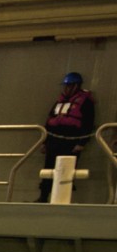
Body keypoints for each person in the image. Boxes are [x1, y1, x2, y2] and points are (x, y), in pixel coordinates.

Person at [40, 71, 95, 201]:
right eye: (66, 86)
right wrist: (44, 142)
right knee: (48, 168)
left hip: (71, 142)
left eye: (70, 85)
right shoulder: (59, 102)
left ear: (77, 86)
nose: (67, 88)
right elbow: (49, 121)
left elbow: (88, 123)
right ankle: (43, 197)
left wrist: (81, 143)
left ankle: (64, 199)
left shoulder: (86, 102)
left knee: (67, 171)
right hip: (54, 140)